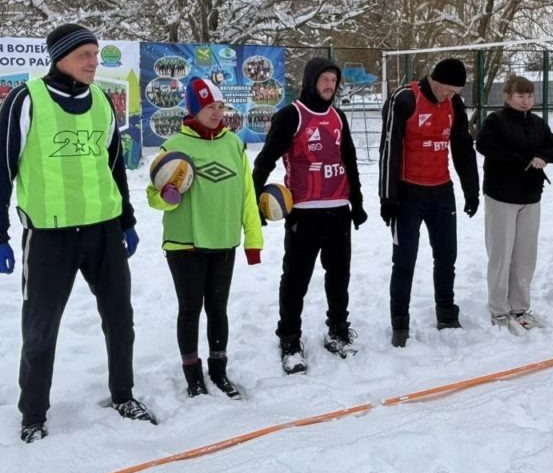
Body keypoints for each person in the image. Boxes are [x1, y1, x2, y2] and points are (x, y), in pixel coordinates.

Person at [0, 23, 155, 443]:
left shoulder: (101, 102)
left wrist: (127, 220)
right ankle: (34, 415)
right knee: (40, 328)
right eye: (85, 55)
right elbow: (1, 170)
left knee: (120, 320)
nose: (94, 62)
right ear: (61, 57)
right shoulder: (27, 101)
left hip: (102, 233)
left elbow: (114, 168)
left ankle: (123, 394)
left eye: (96, 54)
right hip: (50, 238)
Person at [149, 77, 263, 397]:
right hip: (184, 242)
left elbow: (247, 197)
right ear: (193, 109)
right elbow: (152, 196)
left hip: (224, 240)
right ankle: (193, 377)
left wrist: (253, 241)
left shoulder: (234, 145)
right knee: (189, 310)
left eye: (220, 107)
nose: (216, 113)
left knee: (218, 308)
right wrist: (166, 197)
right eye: (209, 107)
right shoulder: (173, 148)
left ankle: (218, 371)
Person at [252, 58, 367, 374]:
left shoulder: (338, 117)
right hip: (304, 213)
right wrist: (253, 205)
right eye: (324, 79)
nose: (330, 85)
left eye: (334, 79)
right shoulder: (292, 116)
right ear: (311, 81)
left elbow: (350, 164)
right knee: (296, 280)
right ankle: (289, 340)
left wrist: (356, 204)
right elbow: (265, 161)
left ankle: (338, 331)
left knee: (339, 276)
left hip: (338, 210)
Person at [379, 58, 479, 347]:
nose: (451, 96)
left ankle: (446, 312)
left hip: (440, 192)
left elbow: (462, 147)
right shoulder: (405, 98)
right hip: (408, 194)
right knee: (405, 261)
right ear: (434, 81)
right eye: (448, 90)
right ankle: (400, 321)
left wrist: (471, 190)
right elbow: (389, 149)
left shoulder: (453, 105)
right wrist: (388, 197)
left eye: (456, 92)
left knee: (447, 257)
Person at [475, 75, 553, 331]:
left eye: (530, 96)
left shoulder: (538, 123)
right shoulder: (495, 121)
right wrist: (521, 160)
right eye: (520, 96)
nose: (526, 101)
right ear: (507, 96)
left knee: (525, 256)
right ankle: (498, 308)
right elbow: (483, 145)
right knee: (501, 254)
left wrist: (542, 156)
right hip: (501, 196)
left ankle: (520, 307)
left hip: (531, 197)